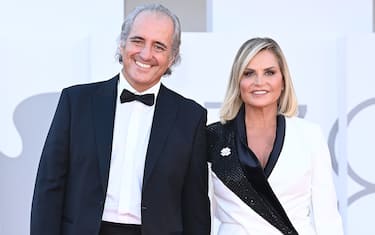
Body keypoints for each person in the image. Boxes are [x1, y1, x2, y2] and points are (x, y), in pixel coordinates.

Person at [31, 3, 211, 235]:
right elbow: (49, 186)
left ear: (172, 56)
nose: (146, 54)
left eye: (159, 46)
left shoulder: (191, 117)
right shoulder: (76, 102)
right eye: (138, 41)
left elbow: (195, 206)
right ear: (122, 42)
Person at [207, 37, 343, 235]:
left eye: (269, 72)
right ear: (238, 81)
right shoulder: (214, 137)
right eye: (249, 73)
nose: (259, 82)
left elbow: (327, 217)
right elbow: (202, 214)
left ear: (283, 81)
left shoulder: (309, 136)